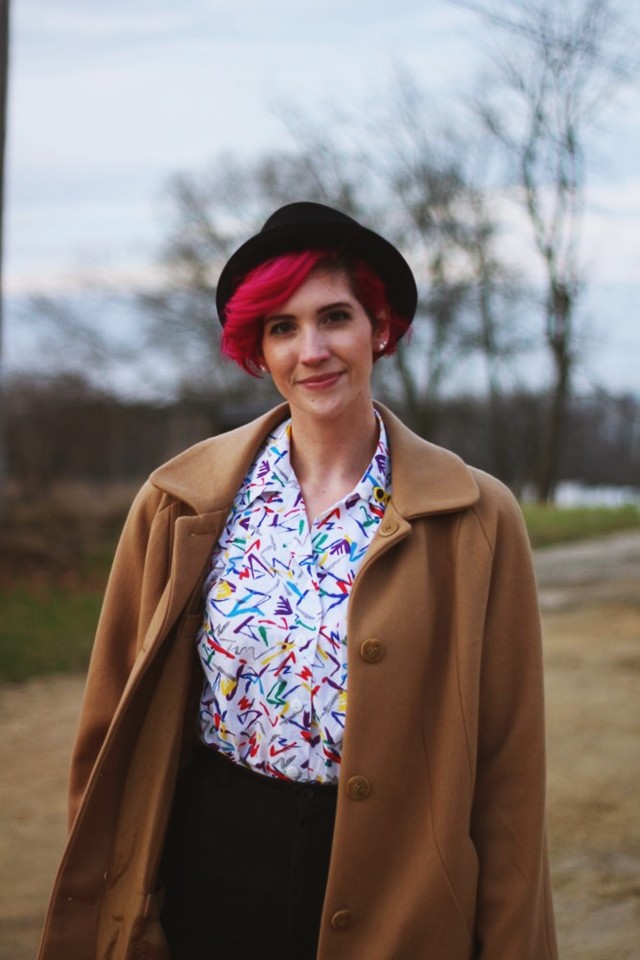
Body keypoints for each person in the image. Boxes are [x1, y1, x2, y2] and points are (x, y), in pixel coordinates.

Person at [37, 202, 558, 960]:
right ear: (259, 350)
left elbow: (509, 779)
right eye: (282, 327)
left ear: (378, 327)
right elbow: (109, 727)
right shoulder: (177, 501)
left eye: (335, 317)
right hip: (207, 877)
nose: (311, 349)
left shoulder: (477, 519)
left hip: (399, 892)